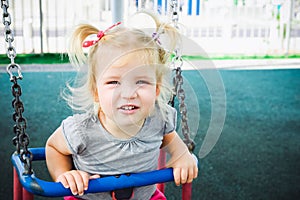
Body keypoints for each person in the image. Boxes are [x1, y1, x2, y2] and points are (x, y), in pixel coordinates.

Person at [45, 11, 198, 200]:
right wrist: (65, 174)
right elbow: (53, 148)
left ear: (156, 89)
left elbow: (169, 138)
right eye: (113, 82)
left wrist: (182, 154)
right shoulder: (81, 130)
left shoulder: (159, 117)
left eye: (141, 81)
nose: (127, 93)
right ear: (95, 92)